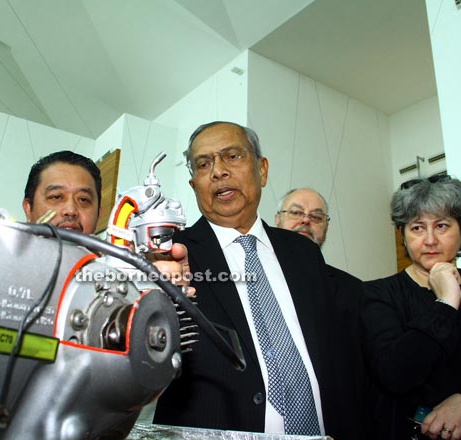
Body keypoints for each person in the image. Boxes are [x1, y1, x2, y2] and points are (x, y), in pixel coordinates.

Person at [153, 121, 359, 439]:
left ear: (261, 170)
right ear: (194, 185)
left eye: (232, 156)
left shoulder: (303, 252)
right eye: (204, 164)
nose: (218, 171)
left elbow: (330, 352)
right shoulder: (170, 255)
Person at [362, 176, 461, 440]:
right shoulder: (377, 295)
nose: (430, 240)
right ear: (403, 233)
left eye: (442, 226)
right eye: (417, 228)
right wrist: (446, 302)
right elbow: (395, 374)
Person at [275, 187, 368, 439]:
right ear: (277, 220)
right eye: (296, 212)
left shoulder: (354, 290)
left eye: (316, 217)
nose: (305, 220)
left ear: (325, 227)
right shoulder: (249, 280)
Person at [22, 150, 191, 286]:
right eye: (56, 197)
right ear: (28, 209)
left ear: (99, 214)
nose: (71, 210)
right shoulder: (1, 265)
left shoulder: (124, 274)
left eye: (83, 199)